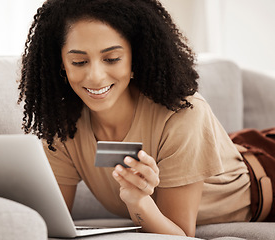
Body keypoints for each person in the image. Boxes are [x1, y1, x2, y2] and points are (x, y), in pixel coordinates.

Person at [17, 0, 275, 237]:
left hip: (267, 172)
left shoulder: (182, 114)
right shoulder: (62, 127)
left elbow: (179, 236)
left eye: (112, 58)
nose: (95, 76)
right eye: (79, 61)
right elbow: (50, 224)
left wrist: (138, 201)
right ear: (61, 63)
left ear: (134, 59)